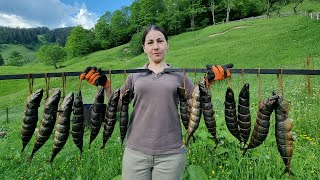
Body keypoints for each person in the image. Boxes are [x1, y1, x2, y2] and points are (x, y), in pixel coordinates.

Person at [80, 25, 231, 180]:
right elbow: (117, 105)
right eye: (150, 42)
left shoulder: (180, 75)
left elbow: (194, 104)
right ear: (144, 48)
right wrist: (106, 86)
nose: (156, 47)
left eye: (160, 41)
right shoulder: (135, 75)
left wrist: (207, 83)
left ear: (167, 45)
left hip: (171, 153)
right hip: (135, 152)